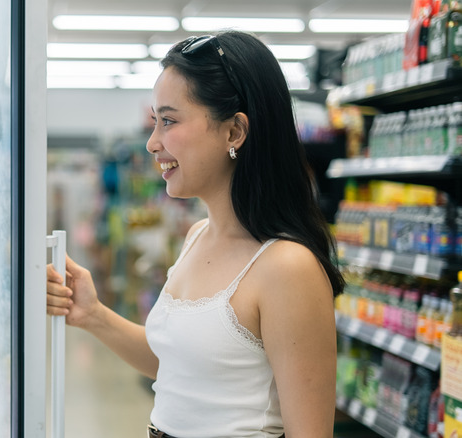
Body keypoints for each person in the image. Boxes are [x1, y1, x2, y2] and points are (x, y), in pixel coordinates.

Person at [46, 30, 345, 438]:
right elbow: (182, 363)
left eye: (168, 121)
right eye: (155, 123)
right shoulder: (197, 236)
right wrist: (93, 315)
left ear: (234, 132)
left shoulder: (287, 269)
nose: (153, 143)